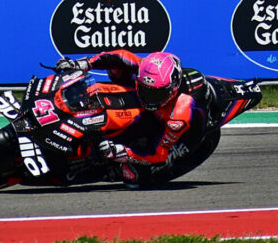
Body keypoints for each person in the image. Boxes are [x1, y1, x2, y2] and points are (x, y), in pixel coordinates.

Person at [55, 50, 260, 187]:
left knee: (132, 177)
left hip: (184, 137)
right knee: (117, 70)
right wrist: (83, 64)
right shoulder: (148, 70)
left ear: (172, 89)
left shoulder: (179, 116)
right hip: (166, 109)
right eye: (146, 90)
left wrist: (122, 152)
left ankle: (108, 170)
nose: (149, 97)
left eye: (155, 94)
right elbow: (119, 56)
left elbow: (159, 154)